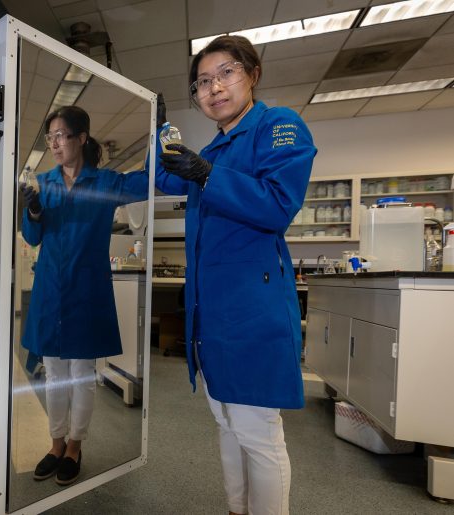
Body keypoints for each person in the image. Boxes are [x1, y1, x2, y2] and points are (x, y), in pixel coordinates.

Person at [155, 35, 317, 515]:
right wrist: (156, 130)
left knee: (258, 433)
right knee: (226, 419)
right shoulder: (216, 146)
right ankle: (236, 508)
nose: (214, 87)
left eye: (226, 72)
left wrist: (206, 174)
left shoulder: (279, 125)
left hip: (251, 309)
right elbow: (161, 175)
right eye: (202, 81)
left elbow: (277, 205)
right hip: (214, 312)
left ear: (252, 73)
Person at [19, 105, 148, 486]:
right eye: (51, 137)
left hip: (87, 289)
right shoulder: (44, 182)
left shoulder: (104, 183)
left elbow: (146, 182)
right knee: (55, 372)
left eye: (61, 135)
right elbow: (31, 237)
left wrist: (161, 144)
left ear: (81, 138)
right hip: (50, 290)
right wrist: (35, 209)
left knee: (82, 375)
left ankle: (75, 445)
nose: (55, 144)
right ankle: (55, 443)